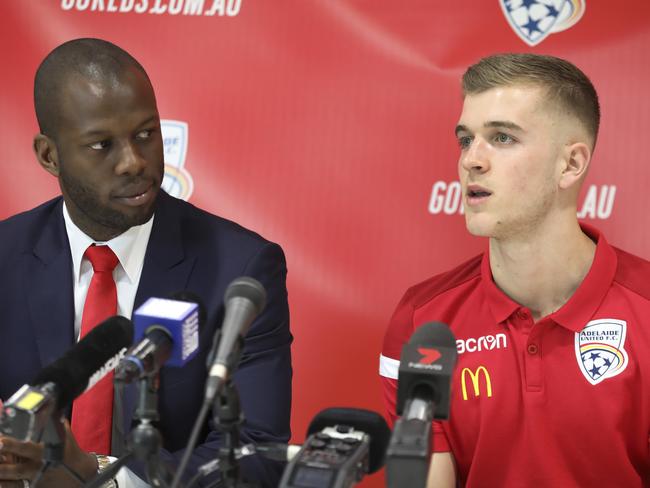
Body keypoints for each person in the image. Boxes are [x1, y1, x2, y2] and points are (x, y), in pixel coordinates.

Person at [0, 38, 292, 488]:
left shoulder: (242, 269)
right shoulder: (6, 255)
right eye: (101, 145)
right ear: (49, 155)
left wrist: (104, 478)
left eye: (145, 134)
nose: (134, 162)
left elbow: (255, 450)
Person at [380, 53, 650, 487]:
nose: (471, 161)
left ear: (571, 164)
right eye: (466, 139)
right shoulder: (423, 322)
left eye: (502, 138)